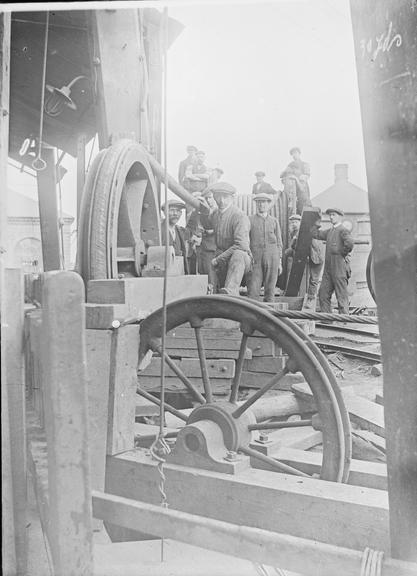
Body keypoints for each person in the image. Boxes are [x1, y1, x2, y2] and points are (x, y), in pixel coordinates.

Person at [199, 181, 252, 296]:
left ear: (232, 198)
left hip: (240, 261)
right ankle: (212, 294)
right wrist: (202, 210)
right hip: (222, 259)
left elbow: (242, 245)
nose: (221, 201)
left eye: (225, 197)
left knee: (238, 254)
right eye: (218, 197)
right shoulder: (215, 215)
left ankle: (231, 291)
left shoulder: (239, 216)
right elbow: (208, 225)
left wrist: (218, 259)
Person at [312, 208, 354, 314]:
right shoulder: (330, 231)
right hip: (328, 270)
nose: (331, 217)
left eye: (333, 215)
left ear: (339, 216)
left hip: (339, 267)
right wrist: (316, 223)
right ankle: (327, 320)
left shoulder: (342, 230)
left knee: (341, 296)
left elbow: (349, 243)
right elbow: (316, 234)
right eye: (330, 215)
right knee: (323, 294)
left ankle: (344, 322)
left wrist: (341, 253)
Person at [247, 193, 283, 302]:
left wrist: (280, 262)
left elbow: (279, 243)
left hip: (273, 257)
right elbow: (246, 240)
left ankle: (269, 315)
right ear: (256, 204)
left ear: (268, 204)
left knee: (270, 289)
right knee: (253, 290)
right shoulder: (249, 220)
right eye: (259, 202)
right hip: (255, 258)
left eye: (264, 202)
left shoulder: (274, 221)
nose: (261, 204)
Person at [285, 213, 324, 308]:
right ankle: (304, 301)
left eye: (296, 222)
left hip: (315, 257)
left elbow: (295, 247)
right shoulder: (294, 233)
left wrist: (289, 249)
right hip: (306, 257)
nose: (294, 224)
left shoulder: (303, 232)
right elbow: (293, 249)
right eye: (292, 222)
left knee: (313, 280)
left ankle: (310, 301)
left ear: (301, 223)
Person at [186, 187, 218, 289]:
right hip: (196, 249)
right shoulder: (193, 214)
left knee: (211, 277)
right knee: (198, 277)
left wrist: (205, 234)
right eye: (206, 198)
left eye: (210, 198)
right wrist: (192, 237)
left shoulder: (216, 212)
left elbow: (219, 231)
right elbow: (189, 229)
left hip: (210, 249)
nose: (209, 201)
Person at [161, 200, 190, 274]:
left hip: (178, 271)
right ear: (165, 212)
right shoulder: (159, 229)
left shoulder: (180, 231)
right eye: (172, 210)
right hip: (163, 272)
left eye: (178, 211)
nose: (175, 214)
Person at [281, 147, 312, 214]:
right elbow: (282, 175)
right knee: (291, 209)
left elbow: (305, 176)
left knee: (303, 206)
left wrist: (296, 178)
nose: (294, 155)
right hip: (292, 189)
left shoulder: (304, 164)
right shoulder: (290, 165)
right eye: (292, 154)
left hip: (302, 188)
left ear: (299, 153)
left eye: (295, 153)